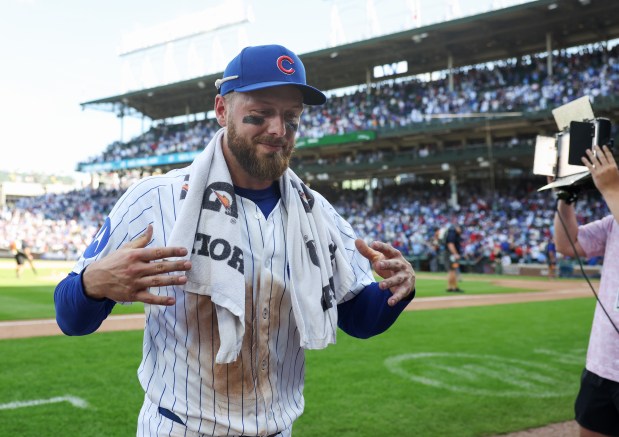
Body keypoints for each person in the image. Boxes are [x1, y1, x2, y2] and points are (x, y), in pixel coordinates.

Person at [54, 44, 416, 437]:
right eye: (259, 115)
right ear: (222, 110)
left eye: (291, 119)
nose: (278, 130)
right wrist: (93, 285)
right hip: (180, 428)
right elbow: (70, 317)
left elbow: (358, 319)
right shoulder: (155, 198)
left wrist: (395, 290)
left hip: (278, 429)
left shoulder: (317, 213)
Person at [553, 144, 619, 437]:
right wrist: (566, 197)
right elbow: (568, 245)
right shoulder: (613, 221)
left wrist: (611, 189)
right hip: (602, 365)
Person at [443, 222, 463, 292]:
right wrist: (456, 254)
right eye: (460, 229)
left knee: (452, 271)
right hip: (450, 254)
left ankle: (451, 287)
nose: (461, 231)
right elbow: (450, 245)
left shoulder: (452, 232)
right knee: (452, 270)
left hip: (450, 254)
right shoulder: (452, 233)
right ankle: (453, 287)